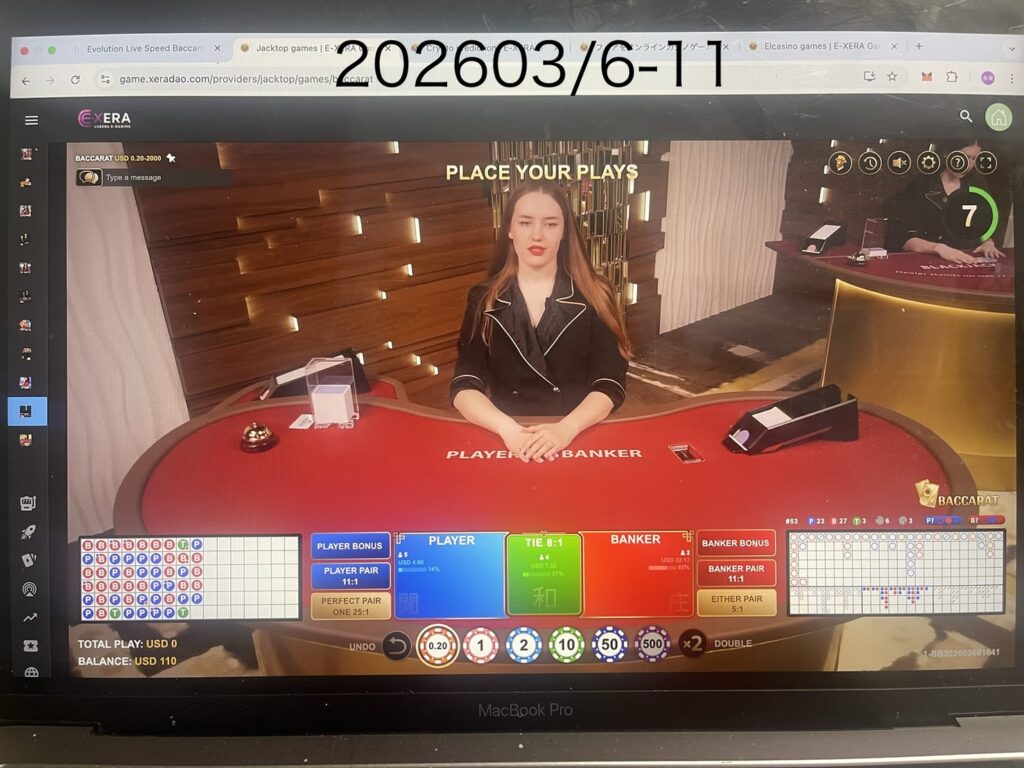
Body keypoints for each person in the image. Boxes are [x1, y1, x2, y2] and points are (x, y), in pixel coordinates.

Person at [450, 180, 631, 464]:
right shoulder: (482, 298)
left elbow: (610, 384)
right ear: (510, 229)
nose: (537, 235)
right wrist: (509, 430)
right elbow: (465, 383)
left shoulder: (597, 294)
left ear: (564, 231)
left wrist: (565, 430)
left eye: (550, 224)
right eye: (525, 223)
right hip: (507, 436)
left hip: (576, 433)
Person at [883, 139, 1004, 264]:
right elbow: (901, 238)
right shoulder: (921, 184)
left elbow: (980, 227)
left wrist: (987, 242)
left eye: (974, 158)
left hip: (961, 261)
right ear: (947, 154)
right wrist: (938, 248)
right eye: (965, 157)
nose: (968, 164)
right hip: (923, 261)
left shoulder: (977, 185)